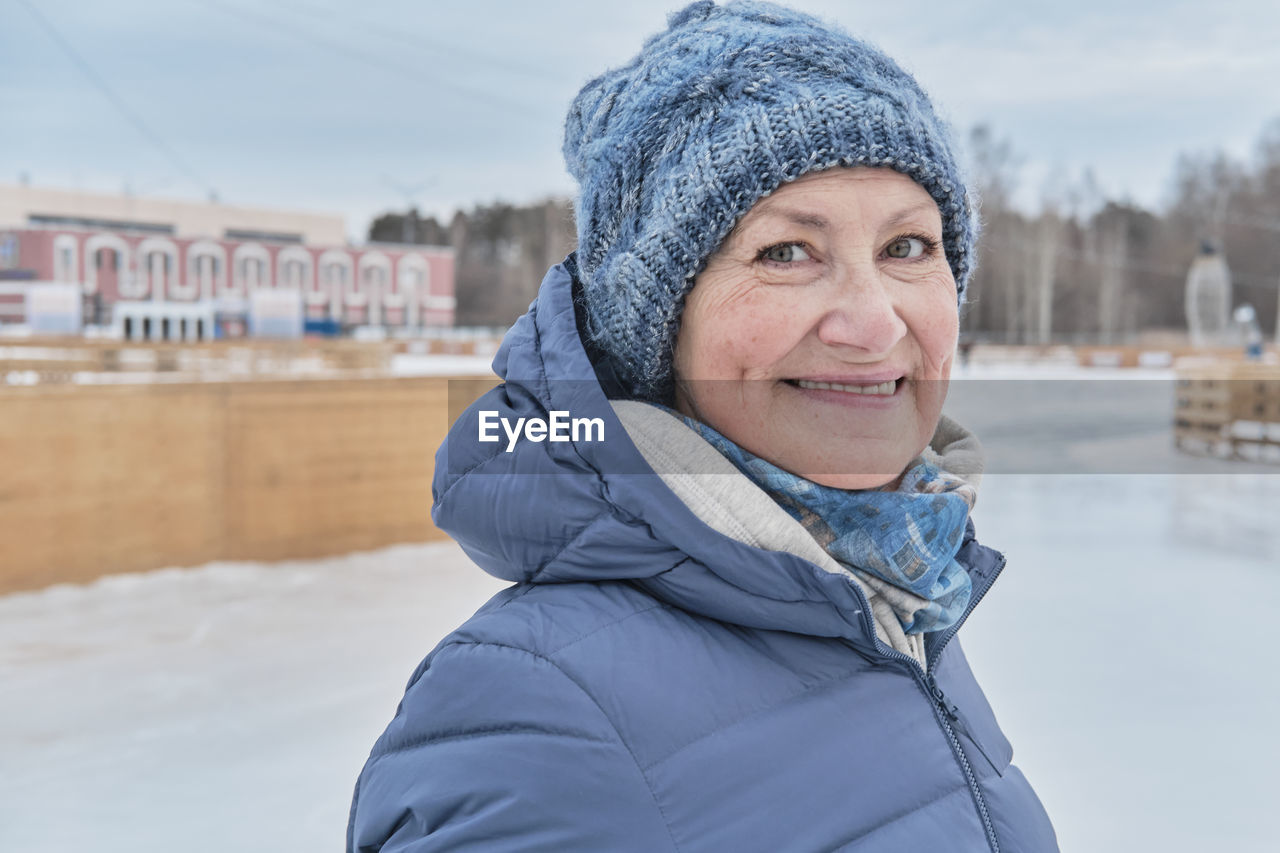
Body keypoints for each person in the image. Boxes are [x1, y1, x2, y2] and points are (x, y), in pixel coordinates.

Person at [347, 2, 1058, 850]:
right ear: (660, 327)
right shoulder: (535, 718)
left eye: (908, 246)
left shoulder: (893, 597)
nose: (874, 324)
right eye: (786, 252)